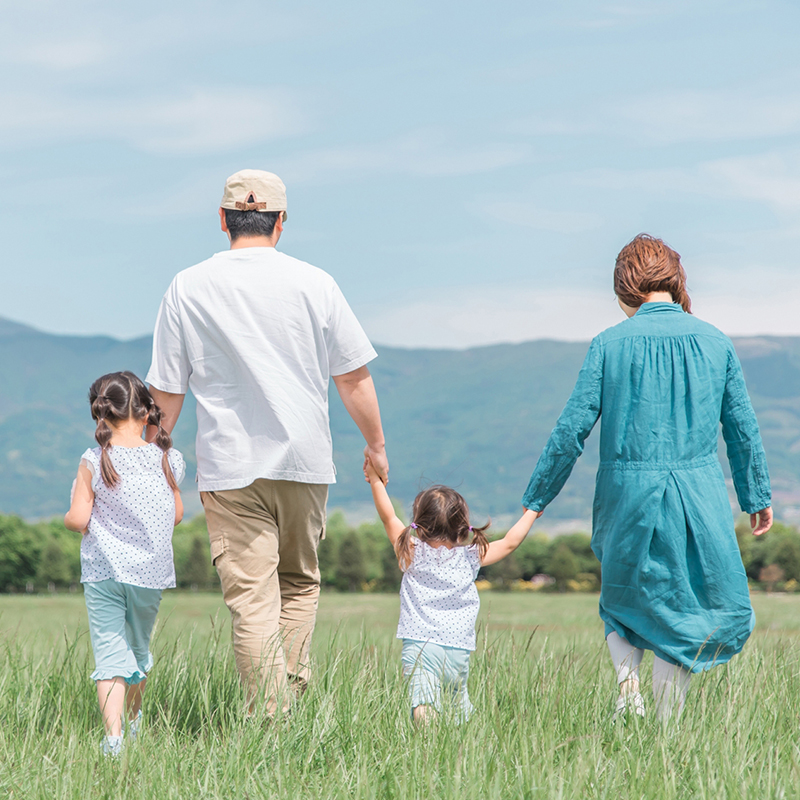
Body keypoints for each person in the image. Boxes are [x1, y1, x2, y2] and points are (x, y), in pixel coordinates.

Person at [145, 169, 387, 715]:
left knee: (252, 602)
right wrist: (376, 444)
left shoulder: (187, 285)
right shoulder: (316, 282)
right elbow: (352, 377)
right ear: (280, 222)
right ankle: (288, 717)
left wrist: (151, 459)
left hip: (229, 469)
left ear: (224, 220)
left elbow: (166, 392)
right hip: (305, 462)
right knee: (299, 586)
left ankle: (272, 719)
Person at [522, 234, 772, 723]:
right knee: (682, 601)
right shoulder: (715, 340)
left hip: (624, 490)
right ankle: (665, 724)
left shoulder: (607, 344)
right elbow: (742, 427)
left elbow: (571, 429)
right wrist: (755, 494)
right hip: (696, 491)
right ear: (676, 282)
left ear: (624, 289)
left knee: (621, 595)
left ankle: (627, 688)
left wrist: (537, 500)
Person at [64, 371, 184, 756]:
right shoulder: (168, 459)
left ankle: (113, 739)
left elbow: (79, 519)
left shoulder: (94, 459)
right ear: (147, 412)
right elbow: (177, 514)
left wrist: (70, 514)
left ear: (100, 414)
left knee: (110, 654)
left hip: (104, 574)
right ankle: (135, 725)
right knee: (138, 650)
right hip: (150, 575)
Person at [366, 460, 539, 722]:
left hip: (420, 645)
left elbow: (388, 516)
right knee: (457, 703)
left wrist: (375, 480)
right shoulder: (469, 557)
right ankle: (461, 745)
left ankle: (429, 745)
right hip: (458, 649)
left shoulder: (411, 552)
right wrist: (531, 512)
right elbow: (510, 542)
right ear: (461, 528)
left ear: (419, 523)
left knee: (423, 703)